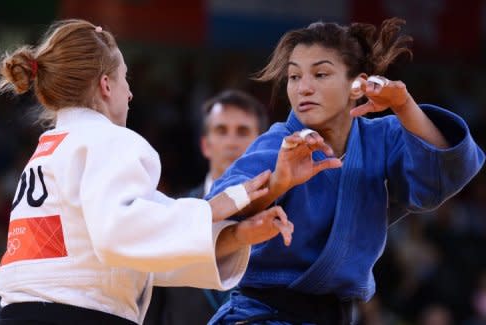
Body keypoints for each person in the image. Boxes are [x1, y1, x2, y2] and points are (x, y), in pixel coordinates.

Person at [0, 19, 294, 325]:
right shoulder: (109, 140)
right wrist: (209, 209)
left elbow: (130, 254)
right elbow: (120, 234)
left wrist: (234, 235)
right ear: (106, 85)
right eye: (126, 79)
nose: (131, 94)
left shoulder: (48, 150)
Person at [205, 17, 485, 325]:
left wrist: (404, 105)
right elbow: (219, 213)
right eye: (294, 77)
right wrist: (277, 184)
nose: (304, 88)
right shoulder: (279, 143)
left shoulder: (380, 138)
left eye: (321, 74)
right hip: (260, 315)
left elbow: (444, 173)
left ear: (357, 85)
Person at [144, 89, 269, 325]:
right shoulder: (174, 209)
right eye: (221, 131)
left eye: (243, 131)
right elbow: (153, 302)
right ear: (205, 145)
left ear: (262, 143)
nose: (232, 142)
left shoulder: (281, 211)